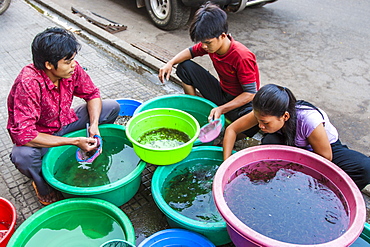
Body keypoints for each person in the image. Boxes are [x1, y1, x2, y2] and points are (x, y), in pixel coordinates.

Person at [7, 27, 120, 205]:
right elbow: (24, 135)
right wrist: (74, 142)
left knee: (111, 107)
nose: (73, 65)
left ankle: (95, 145)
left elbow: (92, 94)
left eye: (73, 59)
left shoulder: (71, 70)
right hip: (41, 136)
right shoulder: (28, 84)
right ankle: (42, 185)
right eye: (68, 61)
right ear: (49, 65)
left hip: (66, 122)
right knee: (22, 156)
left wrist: (94, 125)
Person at [223, 83, 370, 190]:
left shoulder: (309, 120)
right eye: (259, 120)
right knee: (270, 142)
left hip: (323, 150)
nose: (260, 126)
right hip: (293, 144)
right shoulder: (264, 113)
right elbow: (232, 130)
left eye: (265, 123)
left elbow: (326, 158)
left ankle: (334, 191)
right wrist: (227, 165)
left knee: (365, 168)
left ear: (285, 116)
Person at [158, 2, 260, 136]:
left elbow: (250, 94)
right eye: (202, 42)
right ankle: (193, 111)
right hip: (223, 93)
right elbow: (190, 51)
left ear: (223, 36)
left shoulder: (242, 56)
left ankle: (231, 137)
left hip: (242, 104)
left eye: (208, 43)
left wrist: (222, 109)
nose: (204, 46)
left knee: (256, 121)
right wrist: (170, 63)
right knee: (184, 67)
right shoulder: (211, 45)